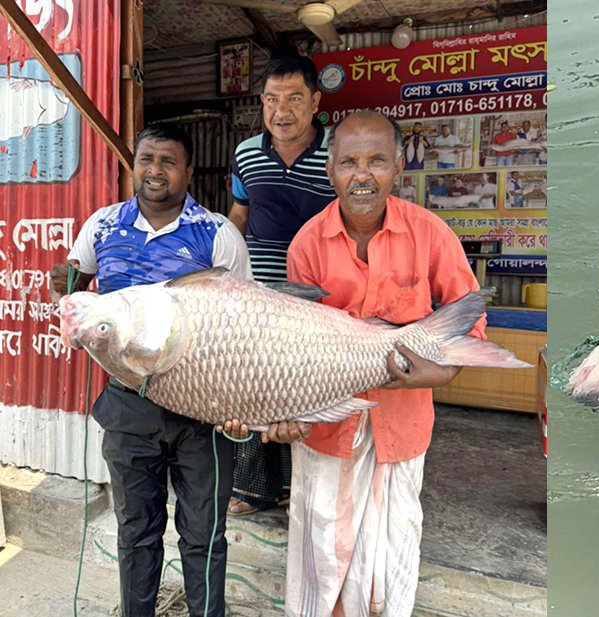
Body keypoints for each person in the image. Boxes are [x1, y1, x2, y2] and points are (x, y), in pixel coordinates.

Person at [244, 109, 484, 617]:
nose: (362, 174)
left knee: (391, 548)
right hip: (327, 426)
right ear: (330, 170)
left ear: (399, 167)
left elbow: (467, 325)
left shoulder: (430, 234)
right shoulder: (308, 242)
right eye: (349, 162)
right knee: (322, 546)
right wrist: (286, 413)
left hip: (403, 423)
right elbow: (294, 348)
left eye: (376, 160)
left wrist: (435, 373)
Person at [49, 123, 251, 617]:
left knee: (204, 534)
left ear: (187, 170)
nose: (154, 170)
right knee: (135, 532)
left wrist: (239, 402)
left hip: (203, 411)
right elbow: (71, 289)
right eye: (146, 159)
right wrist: (66, 293)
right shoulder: (102, 226)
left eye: (168, 161)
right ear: (133, 164)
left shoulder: (218, 234)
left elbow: (244, 324)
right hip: (128, 405)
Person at [227, 53, 336, 516]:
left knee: (308, 389)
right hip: (260, 294)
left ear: (314, 100)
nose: (282, 111)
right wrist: (229, 280)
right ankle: (253, 489)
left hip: (320, 296)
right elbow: (238, 216)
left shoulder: (338, 152)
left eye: (294, 98)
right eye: (272, 99)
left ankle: (300, 488)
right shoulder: (247, 153)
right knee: (256, 386)